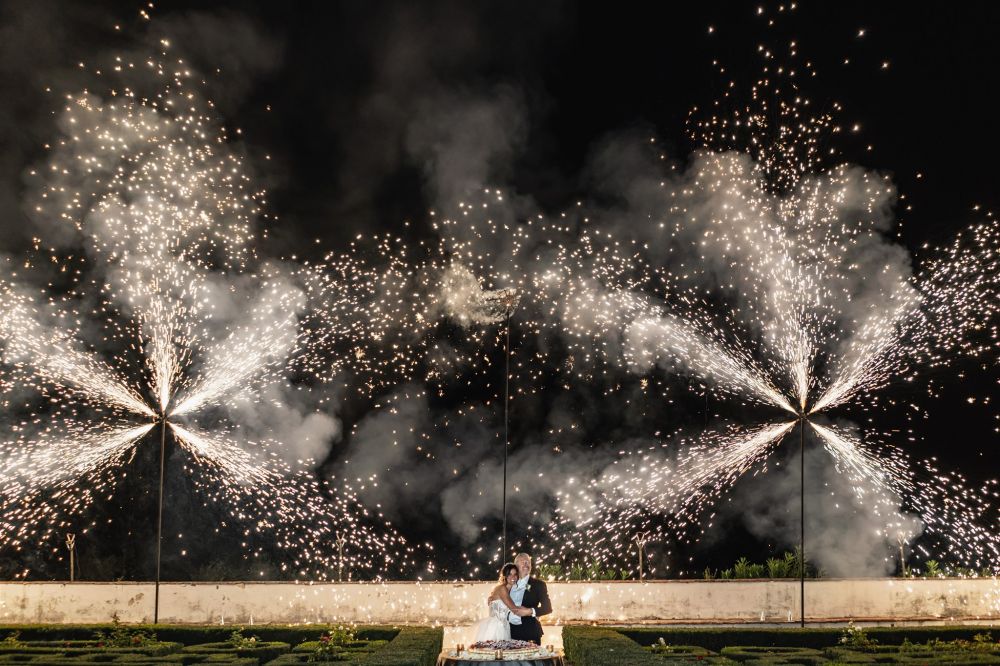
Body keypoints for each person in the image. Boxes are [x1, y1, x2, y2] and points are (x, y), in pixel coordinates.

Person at [473, 563, 532, 642]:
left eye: (515, 574)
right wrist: (532, 612)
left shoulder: (511, 589)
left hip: (505, 626)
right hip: (496, 628)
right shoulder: (502, 589)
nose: (513, 577)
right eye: (509, 574)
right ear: (505, 576)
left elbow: (527, 587)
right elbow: (514, 609)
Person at [505, 552, 552, 645]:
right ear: (515, 566)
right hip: (508, 633)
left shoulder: (539, 585)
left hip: (530, 633)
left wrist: (529, 611)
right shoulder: (508, 584)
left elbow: (548, 608)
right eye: (523, 561)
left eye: (528, 562)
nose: (526, 564)